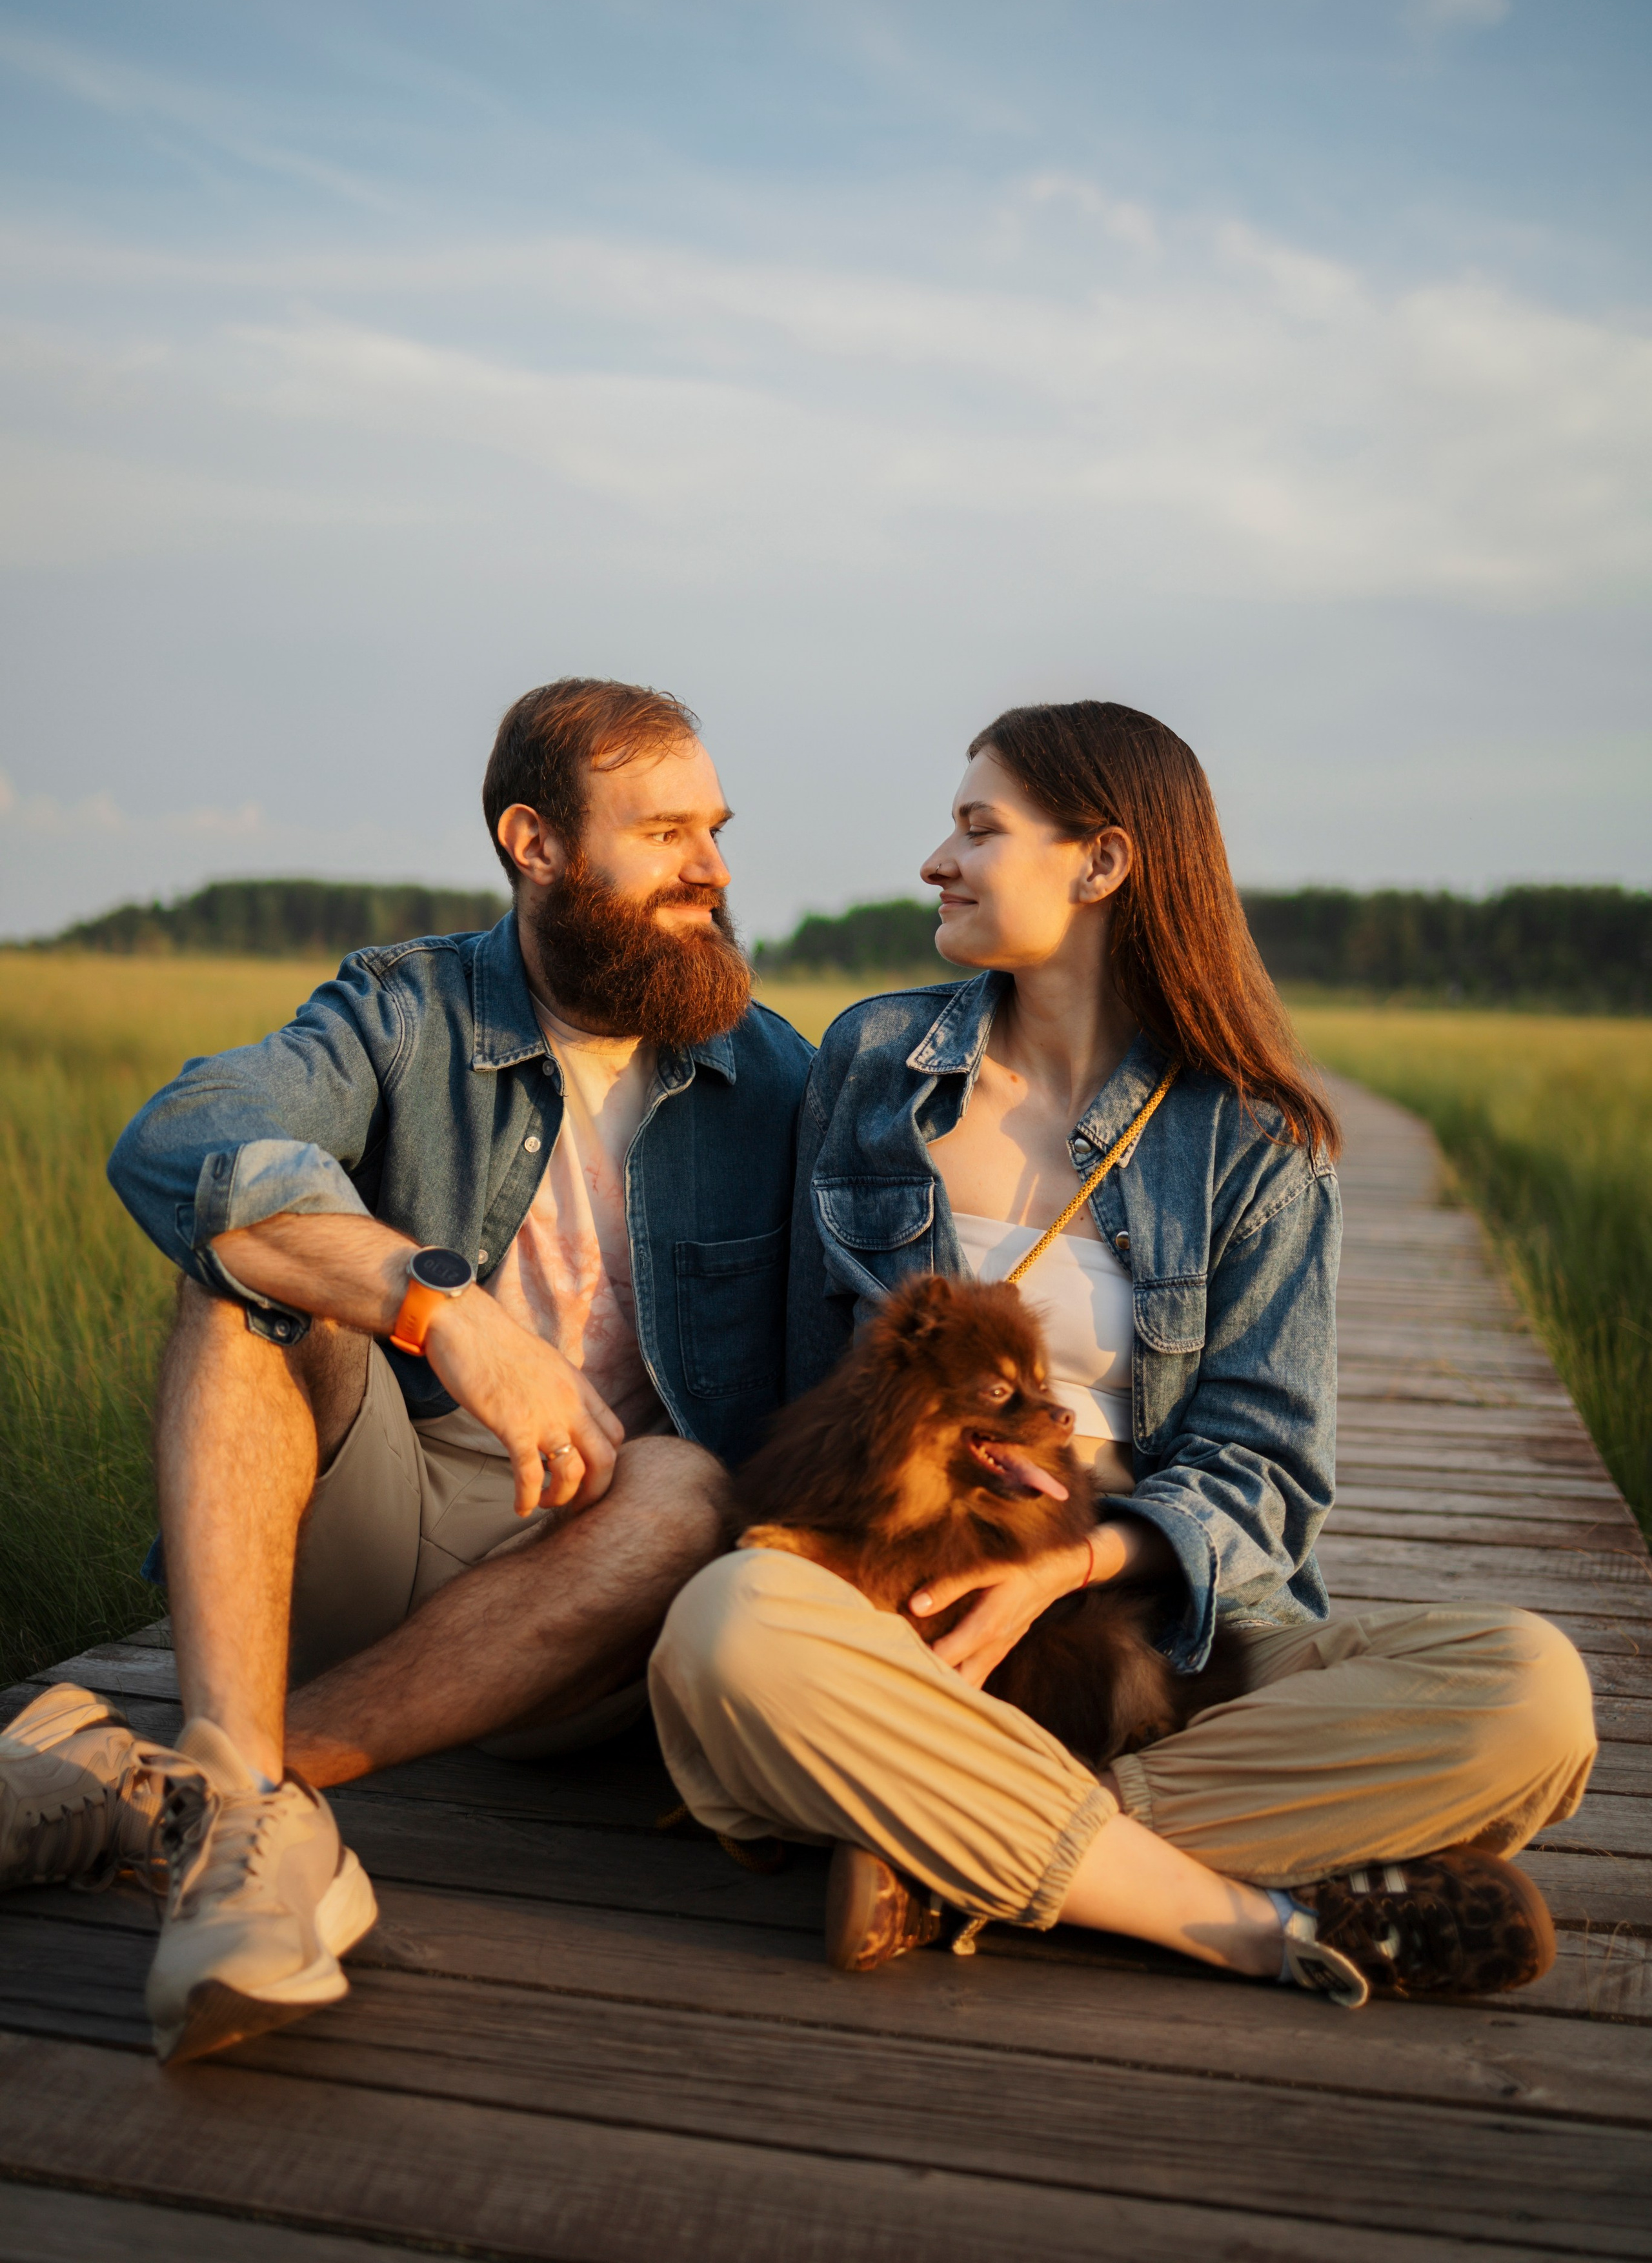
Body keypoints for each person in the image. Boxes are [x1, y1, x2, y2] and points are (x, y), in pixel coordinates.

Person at [650, 698, 1597, 2008]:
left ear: (1099, 864)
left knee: (1530, 1695)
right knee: (726, 1630)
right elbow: (810, 1392)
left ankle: (941, 1846)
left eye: (978, 829)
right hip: (900, 1605)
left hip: (1145, 1633)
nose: (936, 860)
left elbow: (1260, 1470)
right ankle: (1236, 1918)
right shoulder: (872, 1062)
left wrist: (1067, 1567)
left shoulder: (1253, 1137)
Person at [0, 678, 810, 2062]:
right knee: (252, 1266)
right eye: (666, 833)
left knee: (684, 1485)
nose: (711, 871)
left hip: (597, 1580)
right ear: (533, 842)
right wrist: (450, 1315)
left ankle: (190, 1785)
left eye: (715, 831)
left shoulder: (770, 1074)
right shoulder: (403, 1009)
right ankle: (244, 1831)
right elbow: (182, 1138)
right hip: (384, 1514)